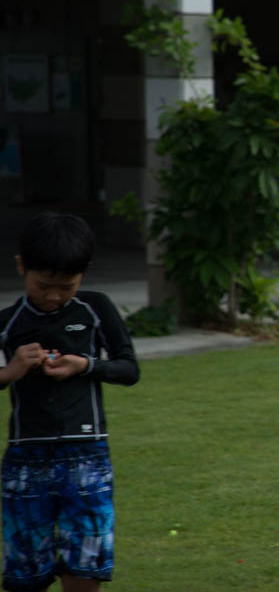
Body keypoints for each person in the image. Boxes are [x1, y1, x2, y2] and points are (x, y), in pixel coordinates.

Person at [0, 212, 140, 592]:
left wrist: (86, 365)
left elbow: (129, 369)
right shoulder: (8, 322)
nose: (54, 296)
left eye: (67, 286)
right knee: (25, 571)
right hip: (26, 460)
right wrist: (10, 371)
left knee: (86, 565)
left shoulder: (96, 308)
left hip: (88, 456)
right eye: (43, 285)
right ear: (20, 267)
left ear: (84, 273)